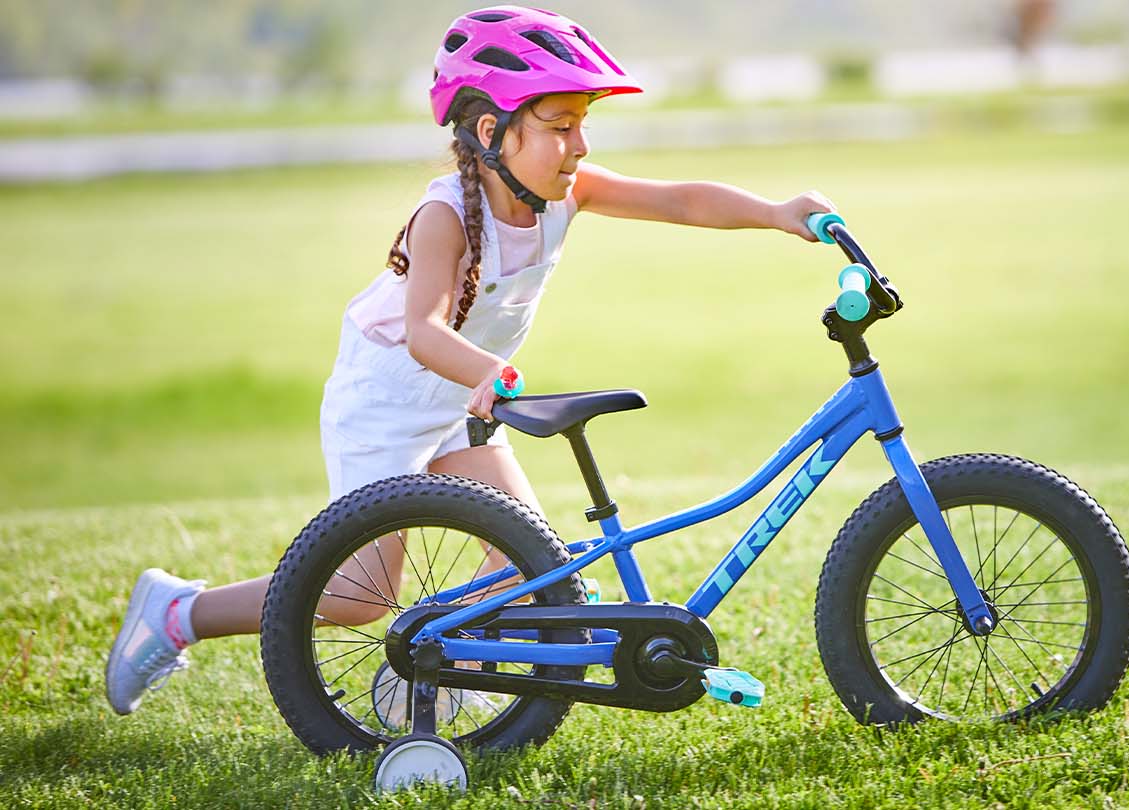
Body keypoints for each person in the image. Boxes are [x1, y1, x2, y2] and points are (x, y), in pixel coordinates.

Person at [105, 5, 835, 715]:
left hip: (461, 402)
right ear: (492, 131)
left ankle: (435, 672)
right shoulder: (445, 216)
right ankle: (176, 614)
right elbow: (424, 332)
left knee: (528, 565)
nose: (580, 145)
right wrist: (486, 373)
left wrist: (776, 213)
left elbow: (681, 201)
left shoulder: (564, 194)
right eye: (560, 126)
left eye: (584, 124)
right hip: (386, 401)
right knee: (356, 596)